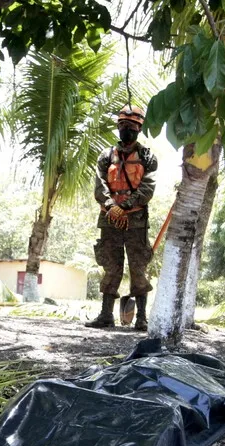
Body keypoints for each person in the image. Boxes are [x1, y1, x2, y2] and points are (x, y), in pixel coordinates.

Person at [85, 104, 158, 331]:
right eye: (123, 125)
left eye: (132, 126)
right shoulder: (106, 156)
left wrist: (124, 207)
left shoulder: (147, 157)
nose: (127, 129)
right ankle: (106, 315)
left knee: (138, 267)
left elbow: (147, 188)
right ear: (118, 127)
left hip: (136, 221)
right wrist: (111, 207)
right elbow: (100, 186)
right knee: (111, 265)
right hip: (109, 219)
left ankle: (142, 318)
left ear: (139, 129)